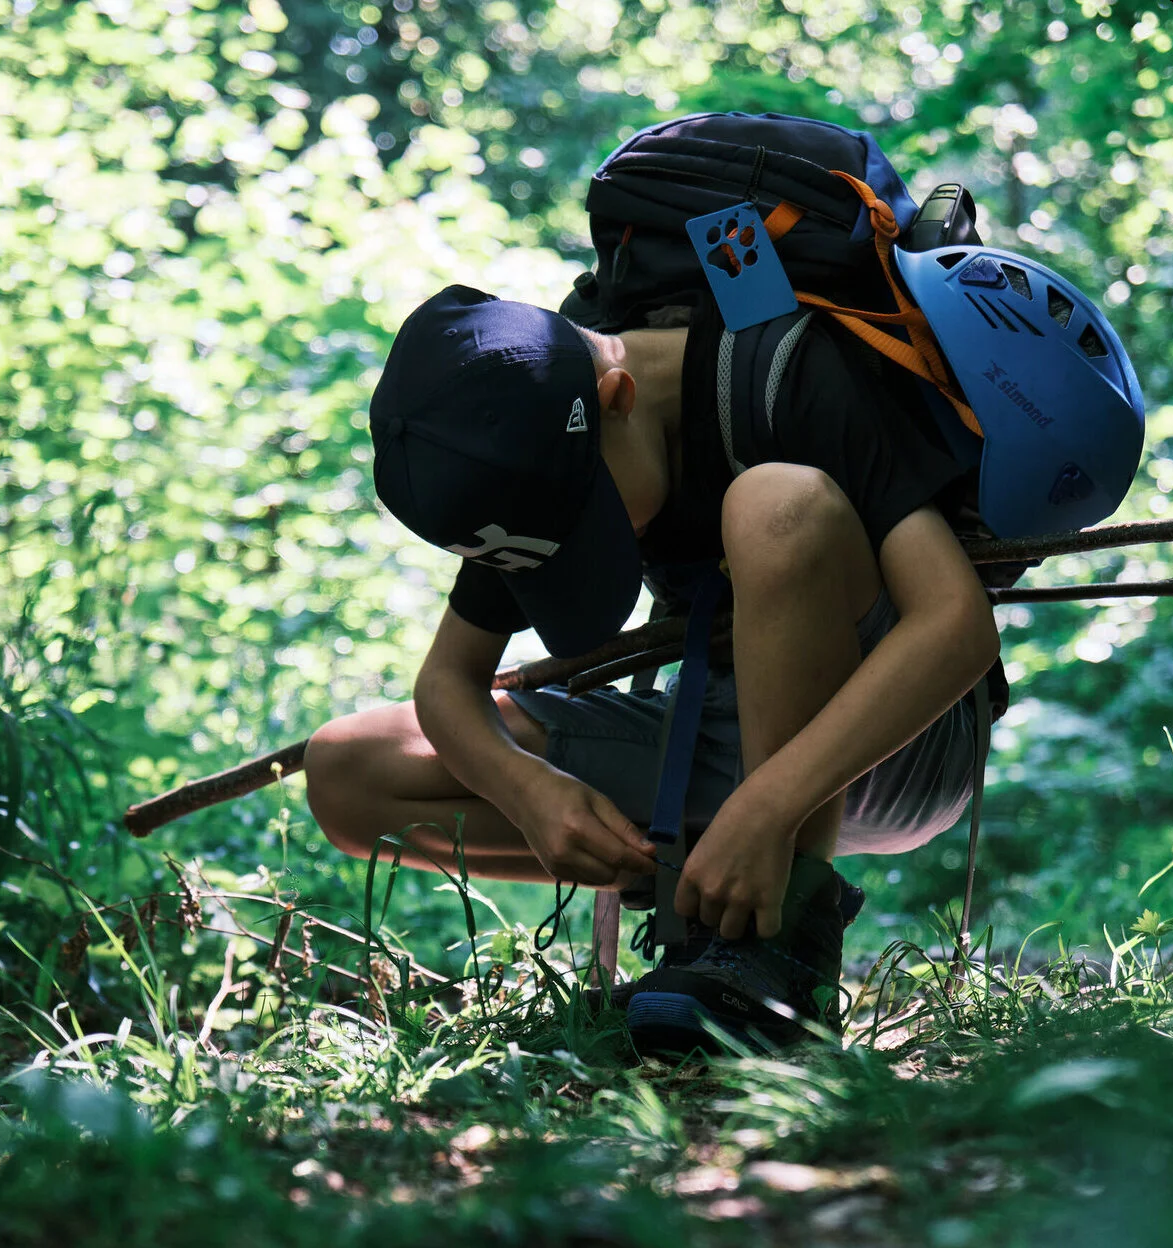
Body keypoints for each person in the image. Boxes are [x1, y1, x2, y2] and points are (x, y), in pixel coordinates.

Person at [302, 279, 1008, 1055]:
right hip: (717, 756)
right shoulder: (529, 459)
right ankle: (703, 909)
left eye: (595, 528)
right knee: (349, 770)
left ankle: (781, 951)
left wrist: (768, 806)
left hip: (899, 743)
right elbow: (446, 682)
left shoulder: (792, 379)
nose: (594, 552)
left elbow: (956, 627)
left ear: (617, 395)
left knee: (774, 506)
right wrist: (529, 792)